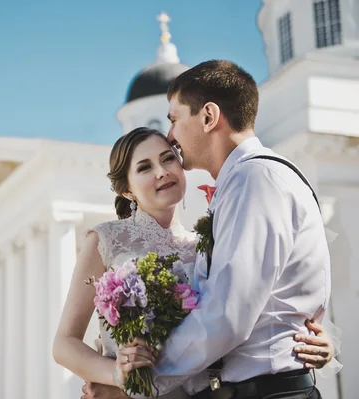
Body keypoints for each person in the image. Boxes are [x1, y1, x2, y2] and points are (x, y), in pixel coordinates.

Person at [108, 60, 338, 399]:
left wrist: (142, 378)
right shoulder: (248, 181)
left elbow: (228, 315)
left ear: (208, 116)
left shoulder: (254, 180)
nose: (170, 136)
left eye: (174, 119)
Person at [52, 125, 336, 399]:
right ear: (127, 190)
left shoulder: (204, 243)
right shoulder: (106, 239)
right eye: (145, 167)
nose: (162, 172)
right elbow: (64, 344)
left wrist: (310, 340)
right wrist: (117, 375)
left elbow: (238, 311)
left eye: (168, 159)